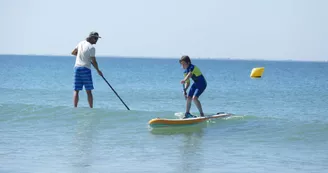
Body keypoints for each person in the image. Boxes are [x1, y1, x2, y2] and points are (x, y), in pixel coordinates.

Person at [71, 31, 103, 108]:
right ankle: (91, 108)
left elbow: (73, 53)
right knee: (88, 91)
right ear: (91, 38)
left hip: (77, 68)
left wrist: (81, 56)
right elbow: (94, 61)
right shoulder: (91, 48)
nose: (96, 40)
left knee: (76, 90)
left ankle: (75, 108)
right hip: (85, 69)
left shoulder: (80, 43)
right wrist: (98, 71)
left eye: (97, 39)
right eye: (95, 38)